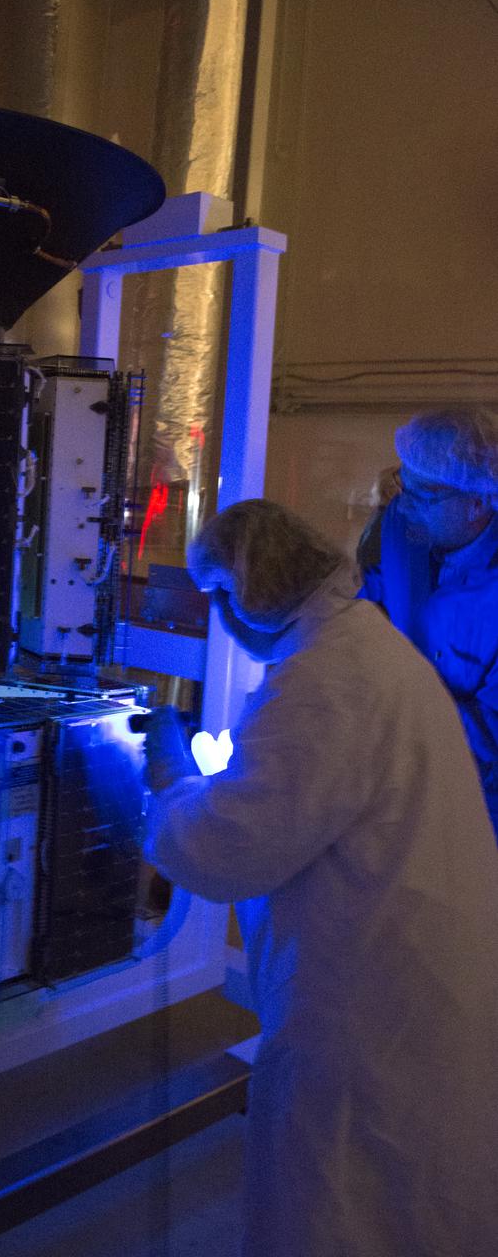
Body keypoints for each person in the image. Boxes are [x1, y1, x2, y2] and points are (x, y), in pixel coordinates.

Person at [142, 499, 498, 1257]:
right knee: (409, 1196)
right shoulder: (365, 646)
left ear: (245, 596)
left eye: (216, 600)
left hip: (369, 1007)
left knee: (336, 1197)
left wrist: (167, 778)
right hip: (421, 981)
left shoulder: (321, 682)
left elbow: (225, 850)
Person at [360, 408, 498, 833]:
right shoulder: (399, 529)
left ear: (478, 500)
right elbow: (364, 620)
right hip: (395, 781)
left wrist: (394, 712)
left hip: (476, 810)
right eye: (405, 483)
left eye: (425, 495)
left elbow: (488, 738)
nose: (407, 505)